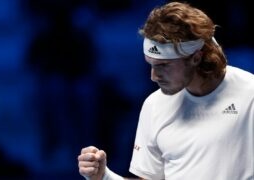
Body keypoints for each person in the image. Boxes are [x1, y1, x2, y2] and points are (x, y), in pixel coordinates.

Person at [77, 1, 254, 180]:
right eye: (151, 65)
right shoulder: (154, 105)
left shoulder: (250, 94)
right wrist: (104, 176)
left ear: (195, 58)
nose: (154, 76)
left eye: (163, 65)